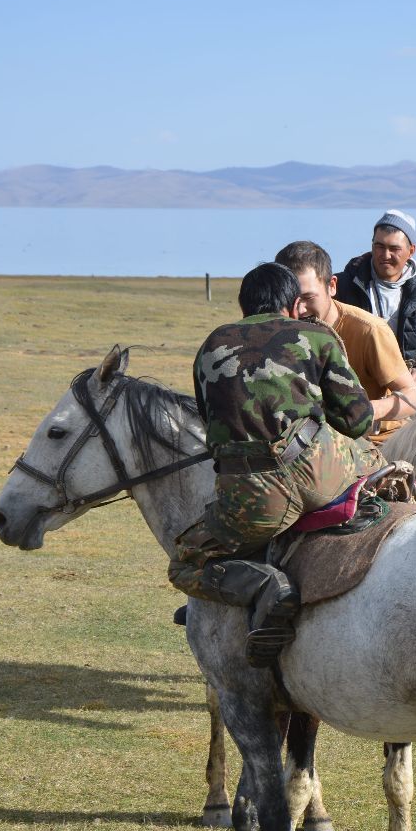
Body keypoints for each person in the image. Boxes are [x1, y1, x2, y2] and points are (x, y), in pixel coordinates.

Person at [168, 262, 384, 665]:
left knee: (184, 562)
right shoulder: (317, 335)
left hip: (252, 500)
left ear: (243, 304)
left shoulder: (212, 345)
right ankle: (402, 498)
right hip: (324, 475)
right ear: (292, 303)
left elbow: (213, 424)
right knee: (375, 456)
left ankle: (264, 583)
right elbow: (359, 421)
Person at [275, 240, 416, 440]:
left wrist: (363, 412)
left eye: (308, 298)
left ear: (332, 286)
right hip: (304, 447)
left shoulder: (370, 330)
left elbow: (412, 397)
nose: (299, 310)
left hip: (373, 444)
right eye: (291, 300)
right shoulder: (275, 331)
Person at [334, 209, 416, 390]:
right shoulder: (342, 286)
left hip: (404, 389)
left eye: (394, 249)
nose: (385, 255)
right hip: (352, 389)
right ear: (372, 245)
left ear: (411, 250)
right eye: (379, 246)